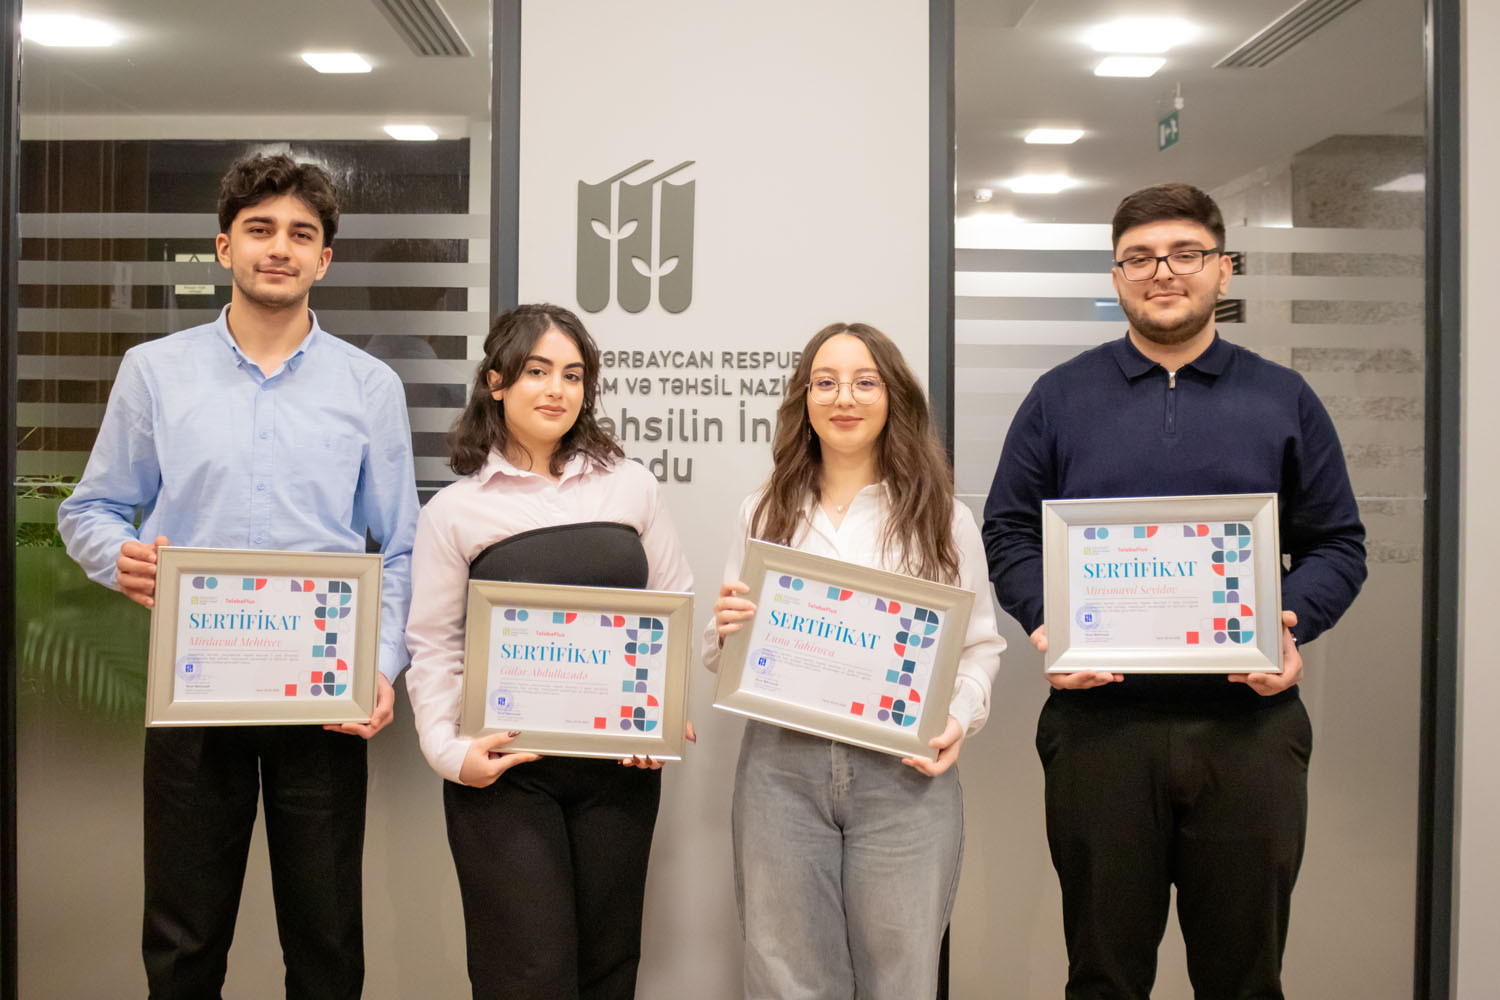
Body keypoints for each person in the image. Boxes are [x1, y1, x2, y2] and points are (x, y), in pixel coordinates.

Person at [982, 182, 1368, 999]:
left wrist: (1287, 621)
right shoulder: (1060, 397)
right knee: (1103, 975)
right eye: (1140, 258)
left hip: (1248, 727)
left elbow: (1337, 543)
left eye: (1185, 253)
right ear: (1117, 276)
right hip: (1100, 728)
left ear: (1223, 269)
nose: (1163, 272)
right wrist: (1050, 623)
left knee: (1244, 978)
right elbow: (1010, 531)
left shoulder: (1283, 398)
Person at [56, 152, 419, 999]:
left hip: (323, 697)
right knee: (183, 944)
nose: (279, 248)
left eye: (301, 234)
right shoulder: (155, 371)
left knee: (327, 946)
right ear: (225, 247)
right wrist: (119, 556)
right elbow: (90, 509)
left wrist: (381, 665)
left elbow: (401, 546)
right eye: (260, 230)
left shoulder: (369, 387)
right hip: (196, 691)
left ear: (324, 259)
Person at [704, 322, 1006, 1000]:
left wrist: (957, 717)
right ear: (804, 400)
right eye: (827, 382)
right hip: (781, 769)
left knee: (900, 978)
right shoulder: (764, 511)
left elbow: (980, 646)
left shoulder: (942, 516)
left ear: (893, 396)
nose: (845, 397)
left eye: (865, 382)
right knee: (784, 974)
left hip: (903, 773)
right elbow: (724, 650)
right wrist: (726, 633)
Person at [403, 303, 693, 1000]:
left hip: (618, 773)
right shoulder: (456, 511)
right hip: (507, 774)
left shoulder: (632, 485)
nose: (557, 390)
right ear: (497, 381)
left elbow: (674, 603)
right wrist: (450, 753)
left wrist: (663, 714)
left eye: (572, 374)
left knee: (608, 968)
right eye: (537, 371)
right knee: (526, 974)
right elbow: (434, 646)